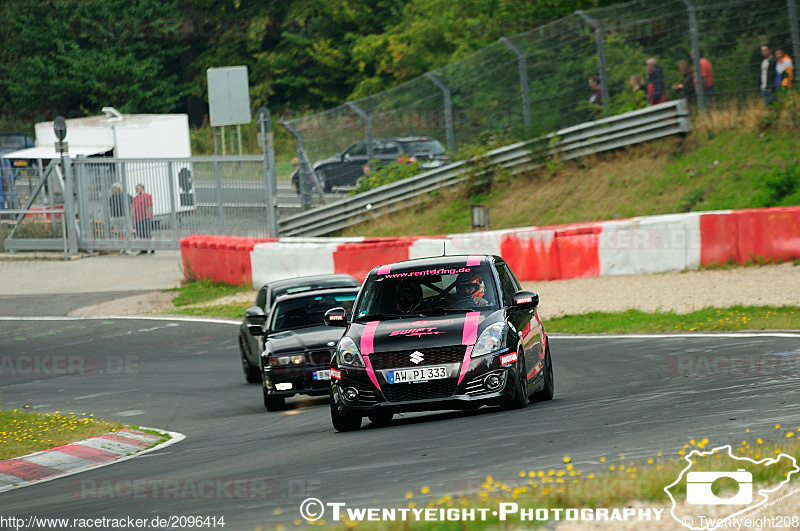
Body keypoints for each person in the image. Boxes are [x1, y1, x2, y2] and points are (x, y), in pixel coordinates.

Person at [108, 182, 132, 253]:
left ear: (119, 188)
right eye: (113, 188)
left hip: (124, 216)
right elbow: (111, 207)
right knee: (119, 233)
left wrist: (130, 215)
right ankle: (122, 247)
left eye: (115, 188)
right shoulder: (112, 197)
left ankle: (128, 248)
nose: (114, 190)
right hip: (116, 217)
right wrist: (111, 216)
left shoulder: (126, 196)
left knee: (126, 232)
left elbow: (131, 206)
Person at [131, 183, 154, 255]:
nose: (136, 189)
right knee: (141, 234)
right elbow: (132, 207)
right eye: (136, 188)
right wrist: (133, 217)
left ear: (142, 188)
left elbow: (149, 206)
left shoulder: (147, 196)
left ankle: (152, 248)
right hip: (138, 218)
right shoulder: (135, 198)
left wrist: (148, 217)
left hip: (145, 217)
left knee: (147, 234)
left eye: (138, 188)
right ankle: (144, 249)